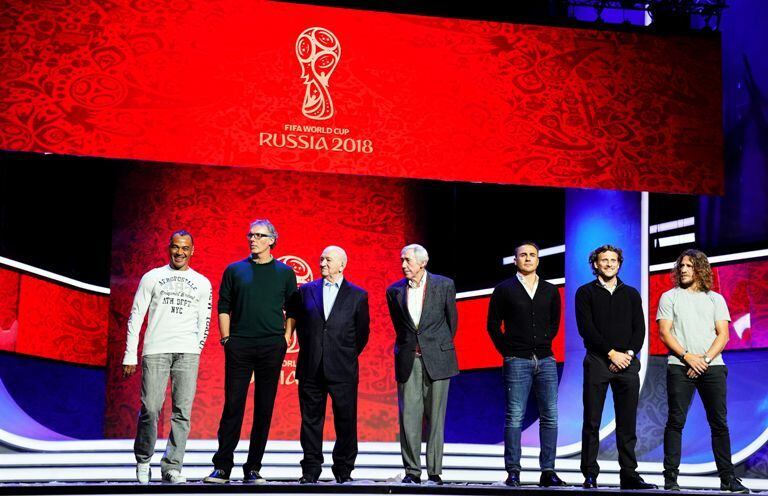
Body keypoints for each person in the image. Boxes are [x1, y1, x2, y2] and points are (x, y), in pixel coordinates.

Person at [204, 219, 297, 484]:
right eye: (250, 235)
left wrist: (286, 337)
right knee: (233, 405)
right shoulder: (235, 270)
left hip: (271, 345)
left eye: (259, 235)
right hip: (240, 345)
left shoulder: (284, 272)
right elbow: (224, 305)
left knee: (264, 408)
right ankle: (222, 467)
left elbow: (293, 308)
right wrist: (226, 338)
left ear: (272, 240)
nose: (252, 239)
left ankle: (253, 467)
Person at [123, 230, 212, 484]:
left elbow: (204, 320)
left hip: (187, 353)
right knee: (150, 408)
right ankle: (143, 460)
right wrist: (130, 354)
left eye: (185, 248)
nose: (180, 252)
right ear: (169, 248)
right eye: (175, 247)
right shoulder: (152, 277)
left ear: (192, 251)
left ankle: (172, 466)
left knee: (182, 412)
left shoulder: (202, 282)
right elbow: (136, 315)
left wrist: (197, 346)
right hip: (156, 350)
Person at [657, 249, 749, 493]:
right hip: (679, 366)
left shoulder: (715, 299)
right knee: (676, 422)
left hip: (712, 367)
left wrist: (704, 360)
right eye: (681, 266)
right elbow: (665, 332)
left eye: (689, 265)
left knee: (719, 423)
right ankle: (670, 478)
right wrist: (688, 357)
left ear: (700, 269)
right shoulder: (669, 297)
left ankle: (728, 478)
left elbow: (724, 334)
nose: (684, 269)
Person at [575, 245, 655, 490]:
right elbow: (586, 329)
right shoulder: (584, 293)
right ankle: (590, 474)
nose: (609, 264)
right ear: (595, 264)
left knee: (627, 422)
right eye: (604, 260)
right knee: (592, 421)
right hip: (598, 361)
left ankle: (629, 474)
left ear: (619, 264)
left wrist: (628, 354)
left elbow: (639, 329)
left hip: (628, 364)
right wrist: (611, 353)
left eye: (613, 260)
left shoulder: (631, 293)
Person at [289, 246, 370, 484]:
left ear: (342, 265)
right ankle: (311, 470)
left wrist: (344, 354)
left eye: (328, 259)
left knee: (345, 419)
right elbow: (300, 326)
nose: (322, 262)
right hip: (311, 366)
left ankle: (344, 470)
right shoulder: (306, 291)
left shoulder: (357, 295)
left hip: (342, 367)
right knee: (311, 420)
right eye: (321, 258)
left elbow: (362, 334)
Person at [486, 241, 564, 487]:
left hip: (546, 359)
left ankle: (548, 471)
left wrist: (540, 344)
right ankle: (513, 471)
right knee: (515, 416)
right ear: (515, 260)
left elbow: (554, 324)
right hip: (516, 360)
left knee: (550, 415)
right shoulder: (504, 289)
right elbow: (492, 325)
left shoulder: (551, 290)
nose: (528, 258)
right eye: (523, 255)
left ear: (538, 260)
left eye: (532, 255)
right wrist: (508, 350)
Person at [386, 244, 458, 485]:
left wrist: (434, 346)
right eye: (402, 260)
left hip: (438, 358)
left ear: (422, 262)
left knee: (436, 417)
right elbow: (400, 327)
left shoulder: (444, 285)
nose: (403, 265)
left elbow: (452, 322)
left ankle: (435, 472)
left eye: (407, 260)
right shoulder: (394, 291)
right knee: (409, 417)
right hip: (409, 359)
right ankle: (412, 471)